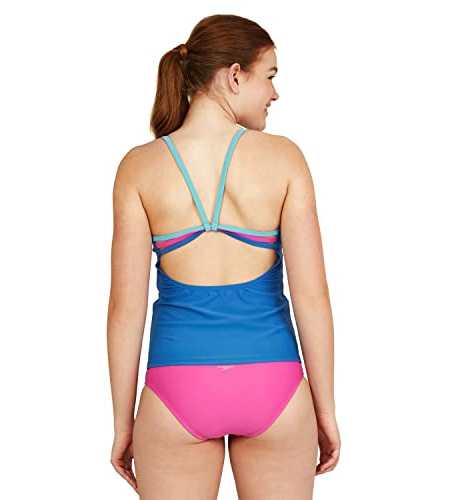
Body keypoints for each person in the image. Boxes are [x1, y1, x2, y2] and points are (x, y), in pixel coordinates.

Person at [107, 14, 340, 499]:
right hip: (275, 387)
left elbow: (125, 310)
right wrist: (325, 411)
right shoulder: (285, 159)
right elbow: (312, 298)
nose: (275, 93)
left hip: (175, 393)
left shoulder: (138, 168)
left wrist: (123, 422)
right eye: (269, 76)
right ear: (235, 76)